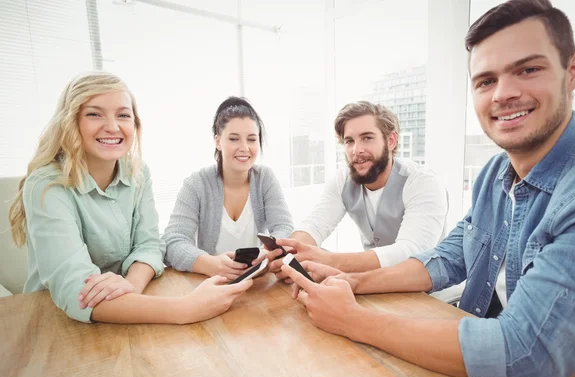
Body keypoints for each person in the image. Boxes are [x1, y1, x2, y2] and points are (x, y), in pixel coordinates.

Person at [282, 0, 575, 377]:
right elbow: (451, 257)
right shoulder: (495, 174)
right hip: (478, 330)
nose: (504, 93)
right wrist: (352, 280)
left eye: (528, 69)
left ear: (573, 72)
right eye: (485, 80)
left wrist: (353, 320)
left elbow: (525, 353)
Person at [9, 72, 252, 324]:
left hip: (129, 308)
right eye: (95, 114)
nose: (113, 126)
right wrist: (185, 309)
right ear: (70, 122)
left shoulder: (137, 172)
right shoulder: (46, 185)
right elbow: (75, 290)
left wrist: (130, 287)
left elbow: (149, 244)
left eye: (123, 115)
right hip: (56, 320)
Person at [269, 101, 447, 281]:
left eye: (367, 138)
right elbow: (315, 224)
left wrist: (330, 260)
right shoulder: (343, 180)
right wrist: (292, 251)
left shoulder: (422, 182)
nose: (356, 150)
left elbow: (411, 250)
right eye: (349, 141)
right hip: (373, 283)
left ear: (391, 140)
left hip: (428, 292)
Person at [163, 97, 293, 281]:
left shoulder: (265, 178)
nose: (244, 148)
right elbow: (173, 241)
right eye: (233, 139)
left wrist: (266, 254)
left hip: (258, 283)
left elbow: (284, 227)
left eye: (252, 139)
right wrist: (208, 263)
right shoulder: (196, 184)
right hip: (212, 284)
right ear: (218, 141)